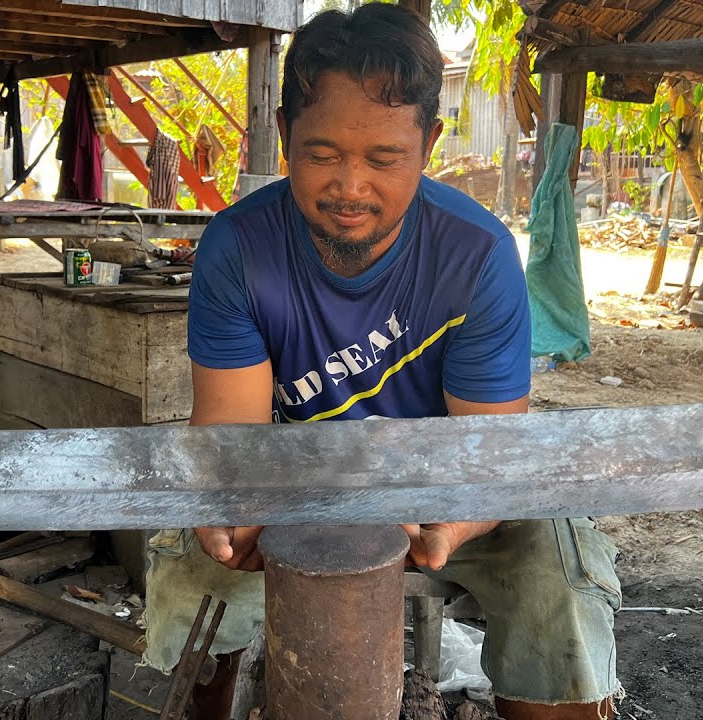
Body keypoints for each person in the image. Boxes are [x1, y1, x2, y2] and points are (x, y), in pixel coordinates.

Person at [141, 5, 622, 719]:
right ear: (284, 138)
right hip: (296, 486)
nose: (350, 188)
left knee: (556, 572)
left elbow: (490, 456)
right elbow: (232, 443)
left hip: (444, 486)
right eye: (323, 153)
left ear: (428, 144)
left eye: (384, 159)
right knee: (190, 572)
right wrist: (229, 510)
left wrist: (451, 522)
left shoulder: (478, 255)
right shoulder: (237, 250)